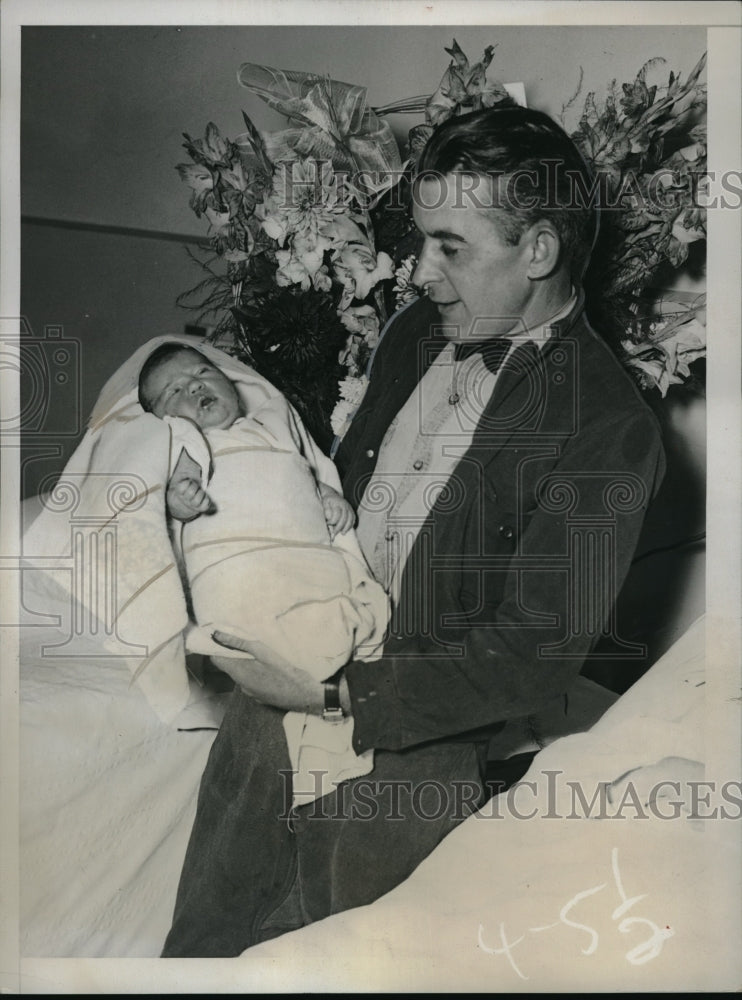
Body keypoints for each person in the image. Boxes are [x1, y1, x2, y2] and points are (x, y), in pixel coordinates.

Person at [161, 105, 666, 957]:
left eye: (449, 247)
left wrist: (336, 696)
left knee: (326, 950)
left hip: (436, 723)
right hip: (307, 650)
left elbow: (530, 653)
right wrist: (211, 484)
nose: (417, 270)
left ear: (538, 251)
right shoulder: (409, 334)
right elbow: (330, 492)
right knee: (204, 934)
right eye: (418, 238)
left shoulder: (612, 428)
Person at [137, 343, 390, 805]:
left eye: (203, 372)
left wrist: (328, 497)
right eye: (174, 390)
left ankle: (325, 710)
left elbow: (304, 472)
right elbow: (154, 503)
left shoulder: (273, 425)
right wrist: (175, 500)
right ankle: (324, 726)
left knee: (336, 613)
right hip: (239, 569)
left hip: (303, 560)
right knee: (276, 636)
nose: (194, 385)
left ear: (231, 382)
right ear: (157, 416)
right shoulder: (179, 443)